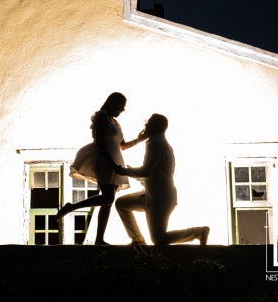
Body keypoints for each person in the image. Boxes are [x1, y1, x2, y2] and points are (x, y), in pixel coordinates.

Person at [55, 92, 145, 245]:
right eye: (121, 107)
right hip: (104, 160)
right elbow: (100, 143)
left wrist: (139, 139)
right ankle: (72, 207)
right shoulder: (101, 118)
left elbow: (122, 145)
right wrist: (111, 163)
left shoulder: (115, 122)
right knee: (108, 198)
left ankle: (99, 239)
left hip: (115, 159)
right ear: (112, 104)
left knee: (107, 202)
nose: (122, 111)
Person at [113, 113, 210, 245]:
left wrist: (122, 171)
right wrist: (136, 174)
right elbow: (155, 173)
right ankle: (137, 239)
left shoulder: (157, 143)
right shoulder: (157, 143)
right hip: (151, 196)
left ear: (154, 126)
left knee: (159, 239)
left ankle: (198, 232)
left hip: (160, 199)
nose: (145, 124)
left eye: (148, 122)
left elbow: (147, 171)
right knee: (121, 204)